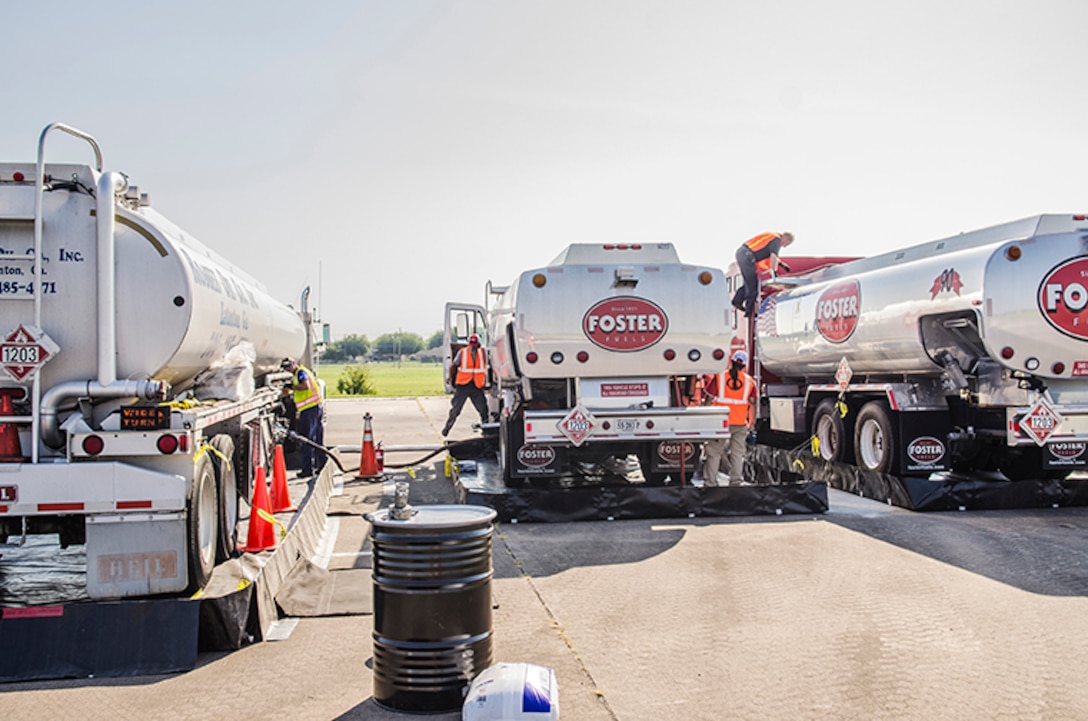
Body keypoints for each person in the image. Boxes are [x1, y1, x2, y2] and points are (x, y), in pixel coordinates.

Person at [704, 350, 758, 485]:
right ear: (744, 366)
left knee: (714, 452)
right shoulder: (750, 381)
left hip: (720, 422)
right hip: (740, 422)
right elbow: (753, 403)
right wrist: (752, 422)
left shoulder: (719, 377)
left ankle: (710, 483)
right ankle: (736, 481)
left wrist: (706, 417)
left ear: (731, 361)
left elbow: (709, 399)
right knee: (737, 453)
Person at [732, 231, 794, 317]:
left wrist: (781, 264)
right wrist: (774, 272)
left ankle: (738, 301)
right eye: (787, 243)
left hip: (743, 253)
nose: (785, 246)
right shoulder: (776, 240)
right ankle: (748, 310)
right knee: (753, 283)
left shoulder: (772, 238)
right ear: (785, 238)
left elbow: (767, 254)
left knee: (749, 281)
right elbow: (773, 256)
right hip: (747, 255)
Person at [281, 358, 325, 477]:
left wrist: (291, 387)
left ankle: (307, 470)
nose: (288, 369)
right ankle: (322, 466)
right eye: (285, 367)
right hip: (315, 407)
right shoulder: (301, 372)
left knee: (307, 440)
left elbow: (305, 386)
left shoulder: (301, 373)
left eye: (289, 365)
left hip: (309, 410)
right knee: (317, 439)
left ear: (294, 363)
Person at [442, 333, 489, 437]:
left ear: (478, 344)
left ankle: (486, 431)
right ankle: (447, 428)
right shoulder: (462, 352)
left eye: (475, 344)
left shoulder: (483, 353)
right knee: (456, 409)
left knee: (483, 409)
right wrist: (450, 377)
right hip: (463, 385)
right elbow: (453, 365)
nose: (473, 346)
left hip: (476, 385)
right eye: (471, 344)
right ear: (468, 344)